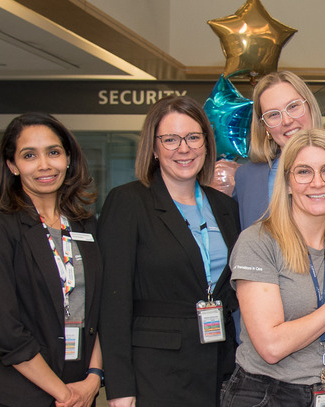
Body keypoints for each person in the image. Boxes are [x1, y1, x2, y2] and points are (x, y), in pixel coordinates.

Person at [228, 70, 325, 407]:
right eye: (273, 114)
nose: (317, 184)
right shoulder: (254, 217)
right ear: (288, 182)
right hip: (266, 382)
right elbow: (270, 345)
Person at [98, 96, 241, 406]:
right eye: (171, 139)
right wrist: (120, 388)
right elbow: (113, 302)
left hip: (219, 364)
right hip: (155, 371)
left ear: (206, 143)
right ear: (153, 148)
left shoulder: (225, 207)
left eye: (193, 137)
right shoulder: (128, 202)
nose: (184, 148)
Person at [0, 112, 104, 407]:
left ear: (68, 159)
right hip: (19, 393)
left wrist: (93, 379)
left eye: (53, 152)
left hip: (81, 387)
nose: (44, 165)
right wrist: (63, 393)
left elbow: (100, 310)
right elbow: (2, 329)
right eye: (29, 155)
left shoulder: (85, 225)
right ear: (12, 165)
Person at [232, 70, 325, 226]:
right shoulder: (246, 177)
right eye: (273, 114)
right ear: (264, 126)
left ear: (310, 107)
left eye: (293, 106)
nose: (287, 120)